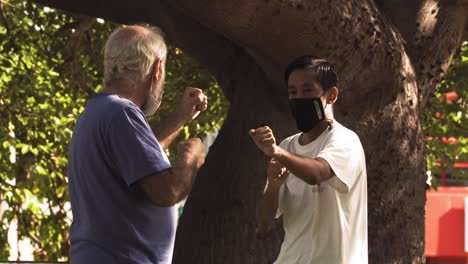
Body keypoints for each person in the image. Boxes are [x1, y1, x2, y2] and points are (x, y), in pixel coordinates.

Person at [68, 25, 208, 264]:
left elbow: (140, 160)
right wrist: (193, 156)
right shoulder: (122, 113)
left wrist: (180, 118)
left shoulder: (100, 111)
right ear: (158, 68)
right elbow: (168, 191)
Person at [250, 56, 368, 263]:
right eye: (293, 92)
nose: (298, 98)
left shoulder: (345, 140)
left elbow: (316, 173)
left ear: (331, 95)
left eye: (307, 90)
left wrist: (275, 152)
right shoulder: (288, 145)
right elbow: (264, 218)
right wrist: (274, 187)